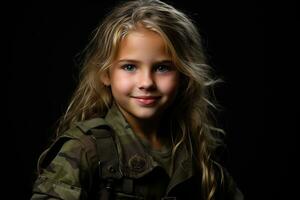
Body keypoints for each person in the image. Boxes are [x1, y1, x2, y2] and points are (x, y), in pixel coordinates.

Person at [31, 0, 244, 199]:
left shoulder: (195, 153)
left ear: (184, 76)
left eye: (162, 68)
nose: (146, 82)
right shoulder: (85, 148)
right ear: (106, 74)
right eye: (129, 67)